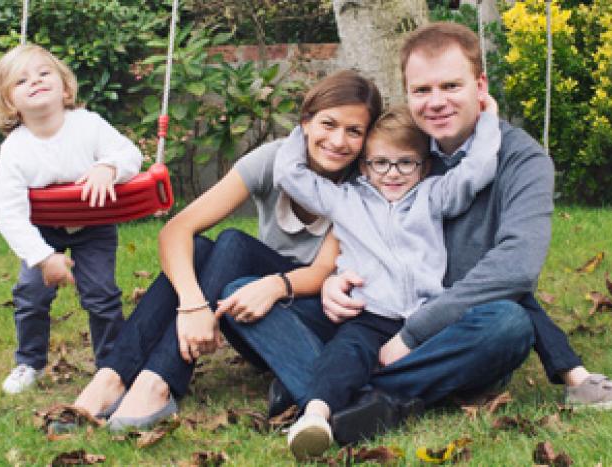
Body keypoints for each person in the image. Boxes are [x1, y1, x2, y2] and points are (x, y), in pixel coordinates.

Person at [222, 21, 612, 446]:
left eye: (451, 86)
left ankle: (336, 392)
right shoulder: (394, 147)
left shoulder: (512, 165)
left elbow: (514, 269)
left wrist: (412, 335)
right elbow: (329, 202)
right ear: (406, 95)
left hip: (445, 324)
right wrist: (332, 278)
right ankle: (371, 398)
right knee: (246, 296)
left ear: (480, 86)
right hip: (365, 313)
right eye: (423, 91)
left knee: (509, 323)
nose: (437, 102)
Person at [61, 70, 382, 432]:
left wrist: (277, 285)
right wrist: (193, 303)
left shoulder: (365, 183)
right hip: (249, 309)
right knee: (197, 247)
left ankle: (157, 383)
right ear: (306, 122)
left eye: (354, 131)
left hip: (316, 317)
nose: (338, 141)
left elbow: (324, 270)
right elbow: (176, 230)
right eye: (328, 123)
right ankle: (112, 377)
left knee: (231, 243)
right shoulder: (274, 160)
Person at [274, 105, 500, 459]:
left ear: (424, 166)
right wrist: (304, 125)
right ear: (364, 166)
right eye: (380, 163)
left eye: (405, 162)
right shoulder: (345, 200)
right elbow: (289, 173)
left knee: (474, 336)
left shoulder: (434, 195)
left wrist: (487, 118)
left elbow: (478, 169)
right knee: (344, 354)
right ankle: (315, 416)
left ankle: (367, 396)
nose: (392, 173)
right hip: (370, 313)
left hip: (426, 316)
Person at [0, 44, 142, 395]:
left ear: (65, 88)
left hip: (94, 226)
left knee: (101, 294)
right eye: (22, 80)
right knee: (31, 295)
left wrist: (109, 167)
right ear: (9, 102)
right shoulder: (15, 148)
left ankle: (111, 363)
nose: (36, 81)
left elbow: (131, 154)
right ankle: (29, 361)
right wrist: (42, 256)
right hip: (43, 231)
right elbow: (7, 209)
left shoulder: (88, 125)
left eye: (44, 73)